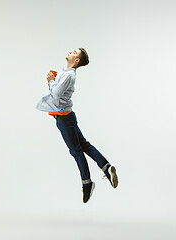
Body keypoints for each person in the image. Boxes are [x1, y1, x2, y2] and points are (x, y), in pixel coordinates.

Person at [36, 48, 118, 203]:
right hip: (66, 117)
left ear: (77, 60)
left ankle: (87, 182)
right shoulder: (65, 73)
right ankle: (106, 167)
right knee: (84, 145)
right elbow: (56, 95)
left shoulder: (68, 75)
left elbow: (55, 95)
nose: (71, 52)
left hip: (64, 119)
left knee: (76, 151)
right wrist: (54, 78)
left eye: (74, 52)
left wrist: (50, 81)